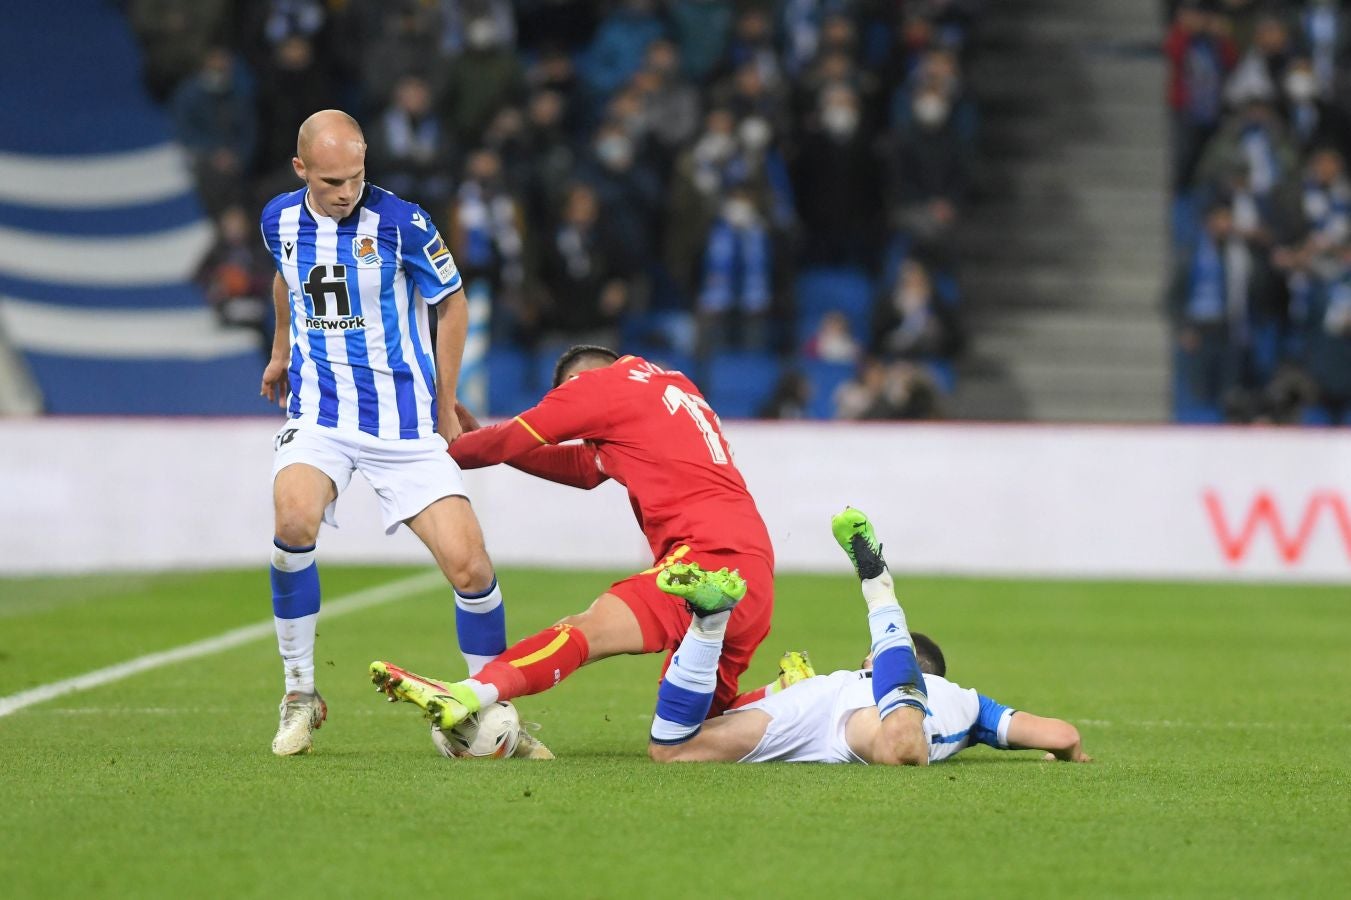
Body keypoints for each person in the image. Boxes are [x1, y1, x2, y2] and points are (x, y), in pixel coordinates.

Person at [369, 345, 776, 747]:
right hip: (753, 565)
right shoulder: (671, 384)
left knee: (585, 631)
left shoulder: (595, 386)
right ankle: (782, 692)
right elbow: (585, 468)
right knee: (688, 734)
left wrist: (423, 453)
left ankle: (467, 694)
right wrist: (495, 446)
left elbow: (510, 437)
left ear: (574, 381)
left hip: (705, 560)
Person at [258, 110, 510, 756]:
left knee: (470, 566)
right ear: (301, 170)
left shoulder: (403, 223)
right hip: (320, 415)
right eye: (331, 181)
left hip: (404, 424)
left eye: (356, 176)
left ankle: (490, 706)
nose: (346, 192)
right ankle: (299, 691)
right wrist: (281, 351)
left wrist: (446, 402)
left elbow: (452, 302)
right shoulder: (278, 219)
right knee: (293, 521)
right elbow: (285, 277)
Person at [647, 508, 1092, 766]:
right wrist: (1069, 753)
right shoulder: (965, 701)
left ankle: (708, 624)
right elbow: (1063, 734)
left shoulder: (843, 680)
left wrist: (775, 691)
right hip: (868, 719)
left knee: (674, 748)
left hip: (819, 703)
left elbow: (725, 710)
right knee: (902, 746)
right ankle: (878, 588)